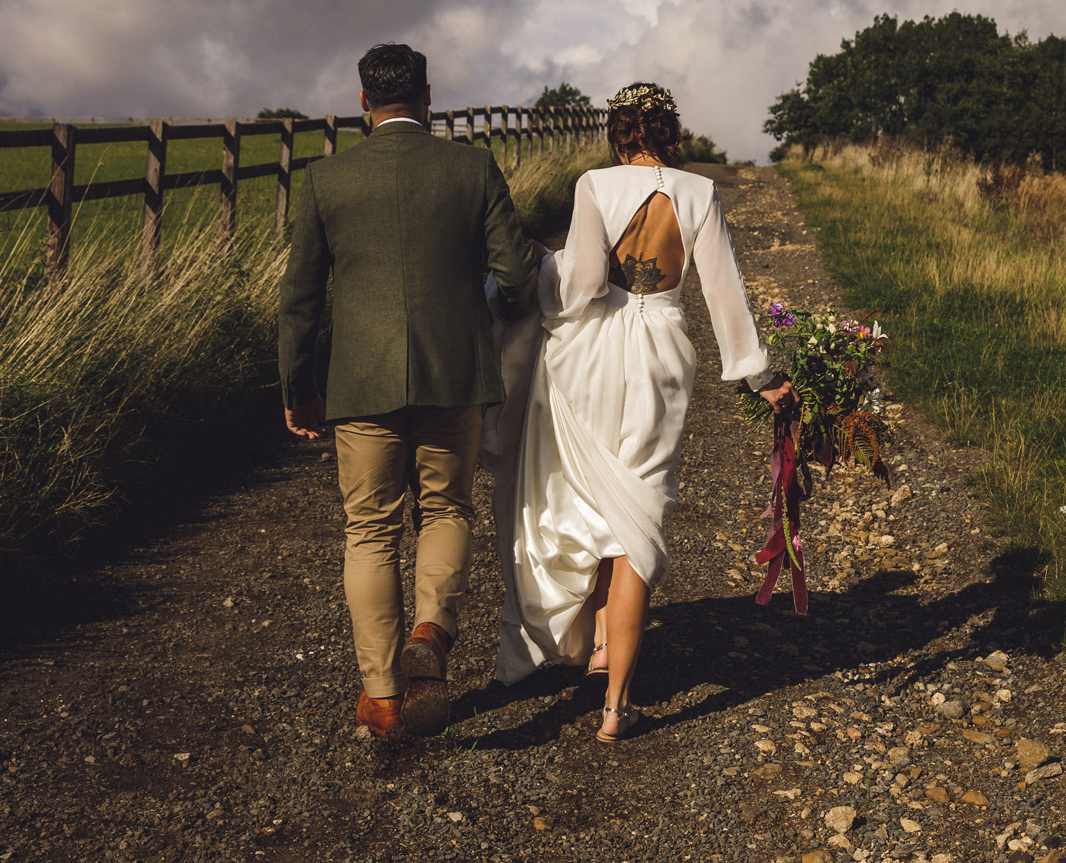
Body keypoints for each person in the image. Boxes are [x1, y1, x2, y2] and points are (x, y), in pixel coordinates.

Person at [494, 82, 794, 741]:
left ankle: (598, 641)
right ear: (670, 130)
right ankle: (616, 701)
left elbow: (581, 285)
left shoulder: (594, 185)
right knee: (637, 514)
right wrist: (759, 376)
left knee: (601, 496)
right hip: (660, 352)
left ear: (618, 130)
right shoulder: (698, 193)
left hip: (591, 354)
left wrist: (548, 269)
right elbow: (723, 294)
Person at [279, 43, 540, 738]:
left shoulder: (326, 178)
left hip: (360, 382)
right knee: (446, 507)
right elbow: (515, 274)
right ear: (429, 97)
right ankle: (433, 627)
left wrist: (297, 384)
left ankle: (384, 697)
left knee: (369, 530)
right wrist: (487, 305)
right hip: (453, 371)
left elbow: (300, 297)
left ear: (363, 102)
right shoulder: (471, 166)